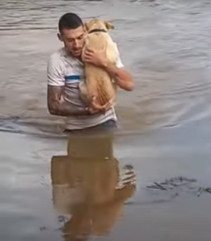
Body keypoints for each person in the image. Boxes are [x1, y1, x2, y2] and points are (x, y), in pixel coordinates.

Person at [47, 12, 134, 132]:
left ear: (86, 32)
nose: (76, 45)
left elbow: (129, 85)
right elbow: (53, 106)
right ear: (60, 38)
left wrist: (104, 63)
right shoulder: (57, 60)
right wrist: (88, 111)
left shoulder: (103, 50)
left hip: (106, 121)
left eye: (80, 37)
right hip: (75, 127)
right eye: (70, 40)